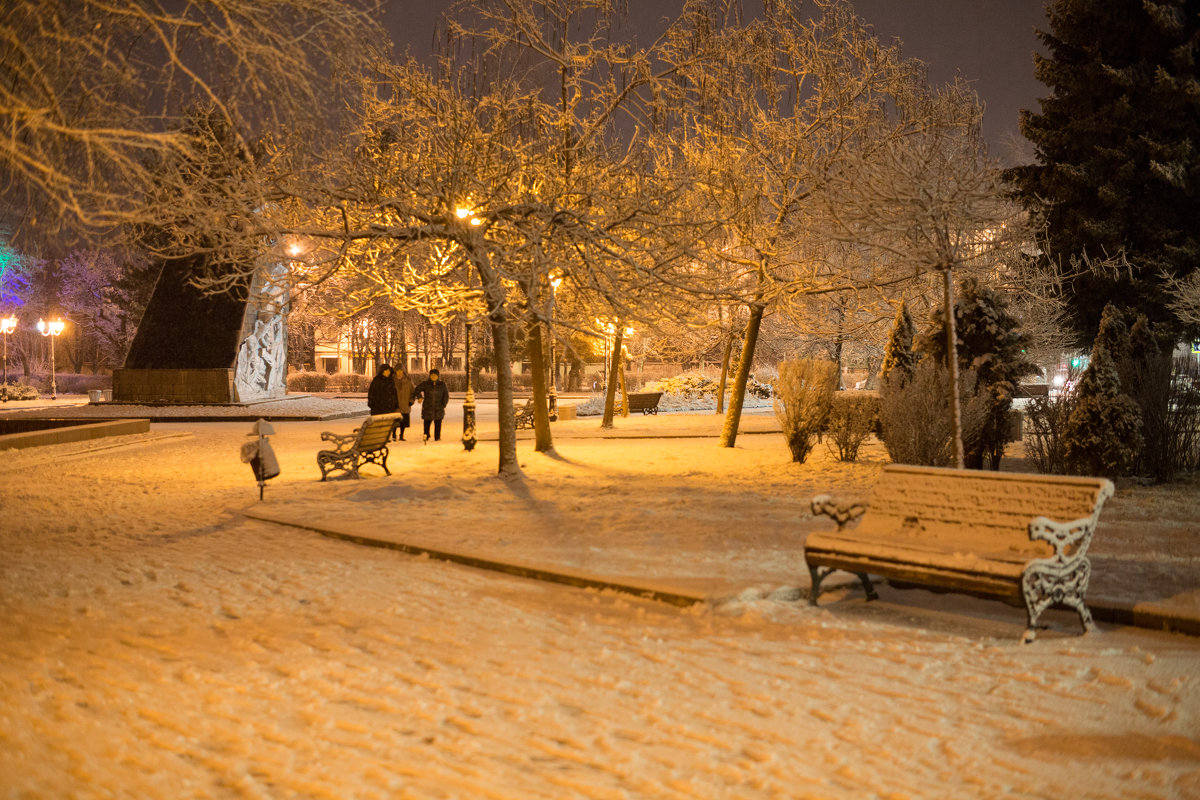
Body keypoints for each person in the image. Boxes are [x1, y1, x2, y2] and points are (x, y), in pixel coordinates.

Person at [412, 367, 450, 441]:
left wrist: (443, 404)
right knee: (427, 423)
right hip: (427, 407)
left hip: (439, 407)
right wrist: (419, 397)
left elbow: (446, 395)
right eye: (432, 375)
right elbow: (417, 389)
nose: (433, 377)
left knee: (438, 423)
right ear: (429, 376)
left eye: (435, 375)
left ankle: (437, 437)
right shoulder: (426, 384)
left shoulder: (442, 385)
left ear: (438, 376)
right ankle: (426, 436)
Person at [391, 364, 416, 441]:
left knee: (403, 422)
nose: (399, 372)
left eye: (400, 370)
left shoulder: (408, 380)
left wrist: (411, 401)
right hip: (396, 404)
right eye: (397, 370)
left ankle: (402, 435)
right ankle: (394, 434)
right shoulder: (392, 380)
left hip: (405, 404)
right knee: (395, 421)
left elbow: (413, 391)